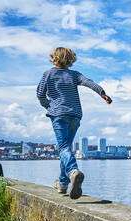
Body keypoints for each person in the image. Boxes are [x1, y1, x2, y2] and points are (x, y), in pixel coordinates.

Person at [36, 47, 112, 199]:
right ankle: (63, 184)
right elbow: (88, 82)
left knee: (63, 148)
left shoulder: (48, 74)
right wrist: (102, 93)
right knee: (67, 149)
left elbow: (40, 94)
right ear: (71, 60)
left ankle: (72, 172)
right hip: (75, 115)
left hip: (58, 114)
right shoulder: (74, 74)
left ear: (54, 58)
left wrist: (48, 105)